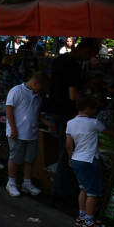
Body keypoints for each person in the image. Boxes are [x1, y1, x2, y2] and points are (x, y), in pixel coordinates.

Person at [46, 38, 96, 204]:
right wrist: (88, 87)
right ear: (85, 49)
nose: (89, 58)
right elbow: (73, 95)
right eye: (91, 54)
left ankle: (60, 190)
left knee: (63, 151)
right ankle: (60, 192)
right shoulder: (73, 65)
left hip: (55, 109)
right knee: (66, 153)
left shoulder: (60, 59)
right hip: (66, 112)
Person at [5, 72, 53, 197]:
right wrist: (13, 129)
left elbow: (36, 113)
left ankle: (27, 182)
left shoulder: (37, 96)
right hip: (18, 133)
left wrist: (46, 122)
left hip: (32, 133)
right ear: (36, 83)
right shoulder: (17, 91)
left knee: (29, 159)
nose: (41, 91)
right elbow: (9, 109)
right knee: (15, 159)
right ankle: (11, 182)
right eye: (41, 88)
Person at [65, 94, 108, 227]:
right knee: (92, 193)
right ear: (89, 109)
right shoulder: (94, 123)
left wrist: (70, 158)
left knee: (83, 188)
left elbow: (69, 144)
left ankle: (82, 216)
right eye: (94, 108)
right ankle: (89, 221)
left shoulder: (70, 123)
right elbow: (110, 133)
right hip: (89, 160)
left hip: (77, 159)